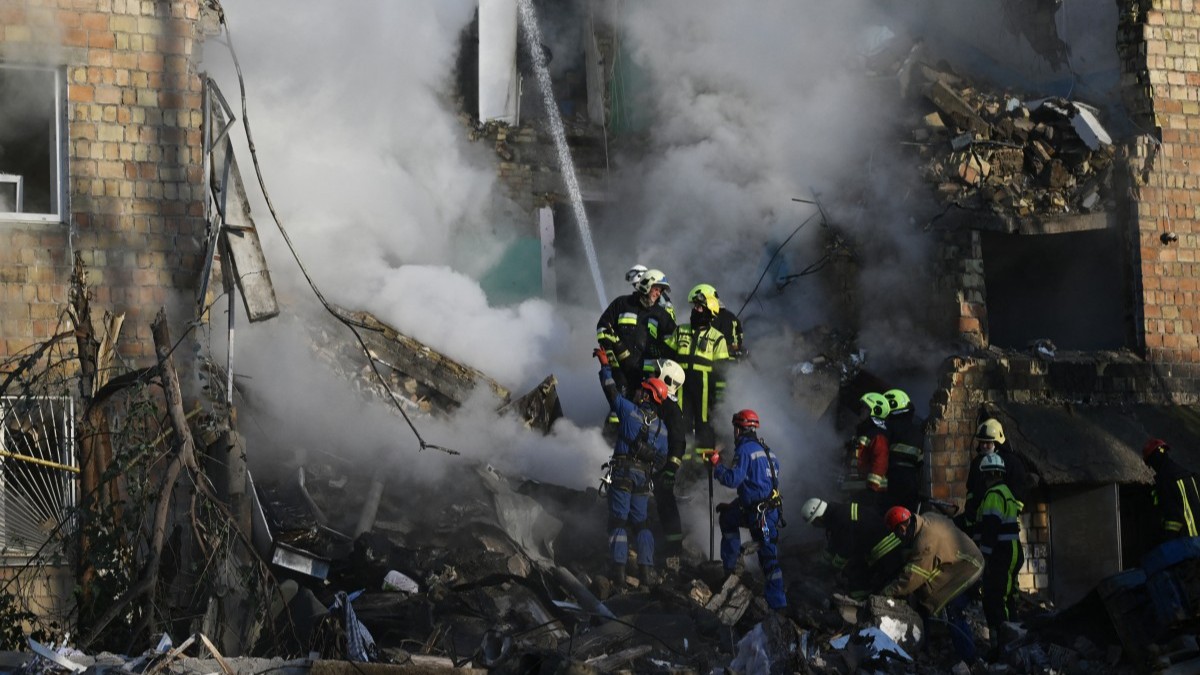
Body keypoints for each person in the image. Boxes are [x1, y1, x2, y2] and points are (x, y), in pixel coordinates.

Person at [594, 348, 670, 589]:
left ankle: (618, 572)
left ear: (647, 396)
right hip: (643, 480)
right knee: (642, 524)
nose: (638, 392)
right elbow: (662, 460)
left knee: (618, 521)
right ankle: (646, 574)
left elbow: (610, 390)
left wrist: (605, 365)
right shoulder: (663, 429)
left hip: (623, 474)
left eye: (642, 390)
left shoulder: (629, 411)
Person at [882, 506, 985, 663]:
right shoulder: (927, 518)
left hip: (968, 568)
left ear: (902, 528)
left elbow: (911, 579)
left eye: (897, 534)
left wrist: (886, 592)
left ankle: (970, 659)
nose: (898, 539)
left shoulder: (925, 542)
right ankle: (925, 648)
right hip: (959, 560)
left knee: (952, 610)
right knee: (923, 601)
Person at [710, 410, 787, 611]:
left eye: (735, 428)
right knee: (727, 517)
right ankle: (733, 573)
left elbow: (733, 480)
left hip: (760, 516)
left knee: (769, 557)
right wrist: (733, 506)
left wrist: (717, 466)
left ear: (739, 429)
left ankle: (778, 606)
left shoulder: (744, 451)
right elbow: (758, 489)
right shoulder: (768, 451)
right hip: (765, 510)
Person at [596, 269, 677, 417]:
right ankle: (609, 438)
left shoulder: (661, 315)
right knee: (616, 410)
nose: (659, 294)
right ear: (647, 284)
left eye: (661, 291)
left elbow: (672, 342)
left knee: (640, 412)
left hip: (645, 374)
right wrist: (609, 354)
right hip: (619, 369)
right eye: (657, 289)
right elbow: (602, 327)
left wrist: (660, 351)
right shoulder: (621, 304)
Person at [801, 497, 905, 599]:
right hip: (880, 548)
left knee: (856, 578)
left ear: (819, 517)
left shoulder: (840, 519)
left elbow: (845, 551)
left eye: (814, 523)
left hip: (885, 550)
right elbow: (833, 546)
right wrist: (821, 565)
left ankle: (861, 605)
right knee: (855, 571)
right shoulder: (837, 514)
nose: (815, 527)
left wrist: (832, 569)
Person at [672, 284, 731, 463]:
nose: (694, 311)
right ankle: (681, 463)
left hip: (705, 392)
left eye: (699, 307)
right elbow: (666, 355)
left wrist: (719, 399)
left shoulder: (718, 338)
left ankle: (701, 467)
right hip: (681, 389)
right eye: (694, 307)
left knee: (705, 427)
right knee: (681, 425)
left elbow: (722, 373)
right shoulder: (680, 330)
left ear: (708, 312)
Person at [973, 453, 1024, 659]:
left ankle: (1003, 649)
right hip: (1009, 551)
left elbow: (990, 530)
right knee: (1007, 597)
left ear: (986, 475)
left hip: (1000, 554)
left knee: (996, 599)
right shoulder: (1006, 492)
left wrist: (983, 557)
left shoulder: (993, 495)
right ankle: (1012, 645)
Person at [652, 359, 688, 569]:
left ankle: (674, 547)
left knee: (666, 504)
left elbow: (679, 442)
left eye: (659, 372)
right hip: (655, 462)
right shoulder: (661, 402)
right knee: (661, 503)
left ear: (667, 379)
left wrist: (671, 469)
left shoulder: (671, 409)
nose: (655, 373)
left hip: (663, 465)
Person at [1143, 438, 1200, 540]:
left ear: (1153, 459)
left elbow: (1173, 519)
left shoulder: (1166, 481)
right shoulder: (1189, 475)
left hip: (1187, 543)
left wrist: (1167, 539)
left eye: (1151, 464)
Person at [883, 389, 925, 511]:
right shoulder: (917, 432)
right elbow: (920, 463)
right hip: (911, 485)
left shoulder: (888, 429)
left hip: (889, 484)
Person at [853, 392, 891, 513]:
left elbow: (880, 462)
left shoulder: (877, 435)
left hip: (871, 492)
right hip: (858, 489)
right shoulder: (864, 432)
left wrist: (872, 489)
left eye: (865, 408)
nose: (861, 411)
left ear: (874, 411)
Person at [708, 286, 745, 360]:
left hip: (721, 362)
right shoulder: (732, 316)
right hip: (736, 361)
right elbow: (738, 341)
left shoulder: (712, 319)